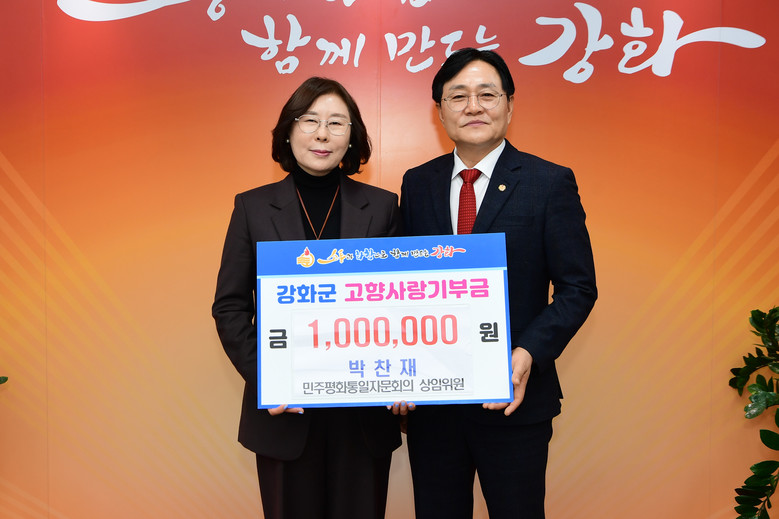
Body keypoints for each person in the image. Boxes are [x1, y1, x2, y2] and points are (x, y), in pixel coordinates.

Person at [395, 48, 597, 518]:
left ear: (509, 104)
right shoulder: (418, 183)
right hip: (433, 403)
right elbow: (403, 285)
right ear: (439, 110)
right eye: (458, 96)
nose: (473, 106)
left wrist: (526, 354)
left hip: (514, 399)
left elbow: (578, 288)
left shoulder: (549, 182)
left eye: (487, 94)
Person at [212, 77, 402, 519]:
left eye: (336, 123)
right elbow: (230, 307)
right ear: (288, 131)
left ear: (352, 136)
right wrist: (268, 378)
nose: (322, 134)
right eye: (310, 120)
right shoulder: (252, 208)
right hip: (285, 415)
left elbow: (400, 307)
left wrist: (403, 378)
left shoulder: (382, 206)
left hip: (363, 414)